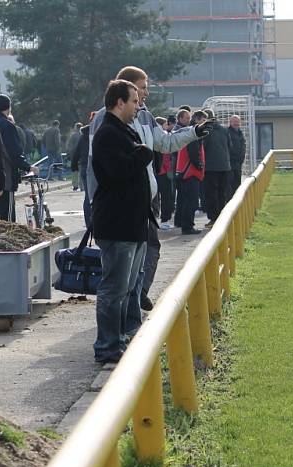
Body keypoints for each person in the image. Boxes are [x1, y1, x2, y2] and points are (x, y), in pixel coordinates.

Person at [87, 66, 211, 324]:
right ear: (127, 89)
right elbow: (97, 165)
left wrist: (193, 133)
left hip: (142, 203)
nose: (146, 93)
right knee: (119, 277)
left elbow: (164, 143)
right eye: (142, 88)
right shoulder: (104, 121)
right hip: (118, 208)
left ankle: (132, 321)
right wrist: (94, 203)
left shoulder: (144, 116)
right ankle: (115, 337)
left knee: (141, 263)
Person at [91, 79, 154, 364]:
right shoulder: (107, 134)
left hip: (132, 224)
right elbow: (118, 173)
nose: (138, 106)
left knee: (127, 288)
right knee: (114, 289)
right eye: (135, 101)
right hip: (118, 225)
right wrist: (141, 155)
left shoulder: (122, 131)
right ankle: (107, 346)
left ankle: (122, 338)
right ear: (120, 102)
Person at [0, 95, 37, 221]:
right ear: (8, 108)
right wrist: (28, 166)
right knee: (8, 218)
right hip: (6, 177)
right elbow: (13, 152)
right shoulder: (7, 125)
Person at [175, 110, 209, 235]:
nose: (205, 123)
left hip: (185, 171)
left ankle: (184, 224)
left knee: (185, 200)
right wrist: (199, 165)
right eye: (204, 120)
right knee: (192, 201)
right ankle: (187, 226)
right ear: (198, 119)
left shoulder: (190, 131)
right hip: (190, 172)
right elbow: (193, 151)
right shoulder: (194, 133)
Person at [201, 108, 231, 228]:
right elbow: (230, 145)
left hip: (211, 167)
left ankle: (214, 219)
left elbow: (203, 148)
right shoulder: (224, 130)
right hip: (225, 166)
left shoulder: (207, 130)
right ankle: (222, 218)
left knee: (211, 194)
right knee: (222, 193)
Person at [71, 118, 92, 228]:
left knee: (88, 196)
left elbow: (77, 151)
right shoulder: (99, 133)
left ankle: (88, 223)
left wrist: (74, 165)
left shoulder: (84, 136)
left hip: (84, 166)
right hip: (94, 167)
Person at [227, 115, 246, 199]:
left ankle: (237, 201)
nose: (236, 123)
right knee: (230, 185)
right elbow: (228, 148)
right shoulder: (227, 133)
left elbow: (243, 146)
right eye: (234, 122)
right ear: (230, 122)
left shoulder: (240, 133)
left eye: (238, 122)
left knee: (237, 183)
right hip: (230, 163)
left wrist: (241, 159)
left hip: (238, 163)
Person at [66, 122, 83, 190]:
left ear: (76, 128)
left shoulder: (73, 135)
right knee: (81, 170)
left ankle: (75, 185)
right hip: (81, 155)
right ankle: (82, 186)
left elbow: (70, 146)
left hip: (74, 155)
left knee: (75, 171)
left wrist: (69, 153)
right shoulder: (83, 135)